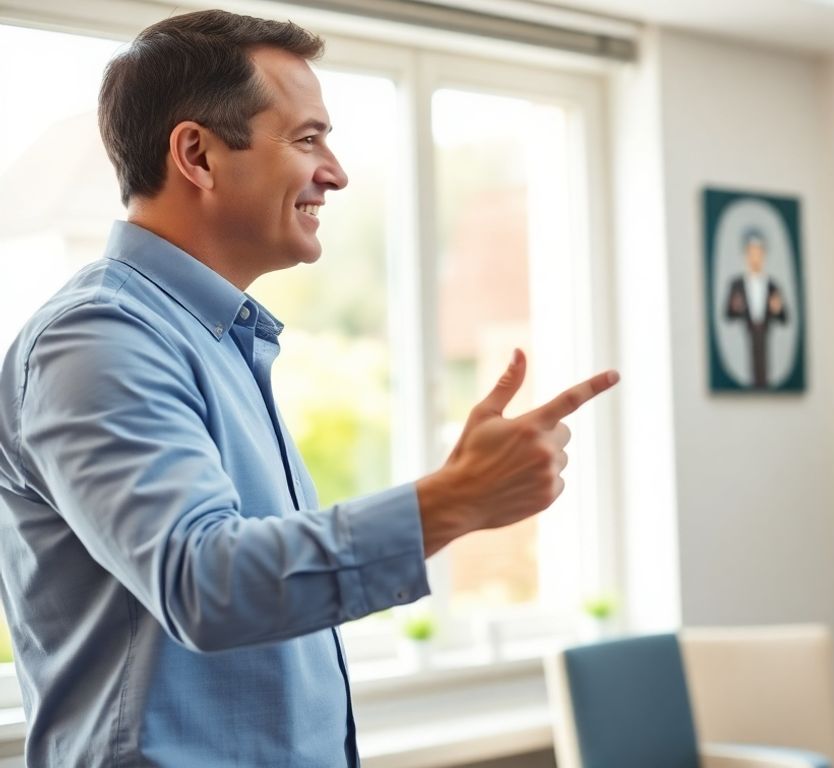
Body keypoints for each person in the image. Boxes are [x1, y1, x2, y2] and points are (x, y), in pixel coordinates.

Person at [0, 9, 617, 767]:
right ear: (197, 154)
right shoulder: (98, 338)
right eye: (308, 138)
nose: (337, 171)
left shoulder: (221, 342)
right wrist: (453, 500)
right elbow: (205, 580)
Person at [724, 228, 787, 387]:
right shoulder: (736, 285)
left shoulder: (772, 285)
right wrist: (735, 308)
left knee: (763, 367)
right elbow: (728, 315)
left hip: (765, 331)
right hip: (746, 331)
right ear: (746, 255)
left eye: (759, 252)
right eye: (751, 252)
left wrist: (777, 310)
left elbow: (784, 317)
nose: (755, 257)